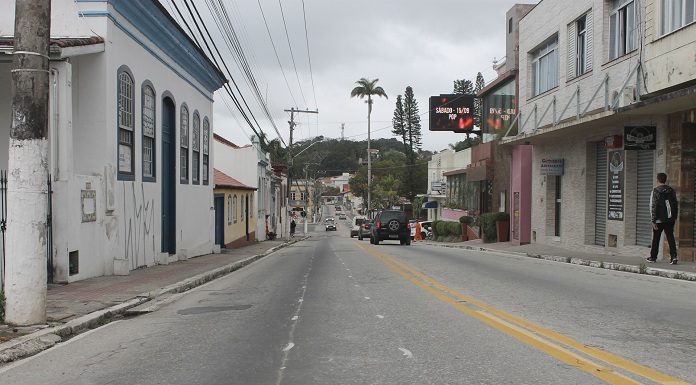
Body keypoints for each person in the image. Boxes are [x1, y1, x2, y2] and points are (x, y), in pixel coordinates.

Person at [647, 172, 679, 264]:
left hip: (658, 219)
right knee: (670, 237)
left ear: (657, 180)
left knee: (656, 238)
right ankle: (674, 257)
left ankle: (653, 257)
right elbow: (675, 204)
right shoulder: (672, 190)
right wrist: (674, 217)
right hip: (670, 218)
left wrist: (653, 220)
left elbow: (653, 206)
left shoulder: (655, 191)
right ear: (666, 180)